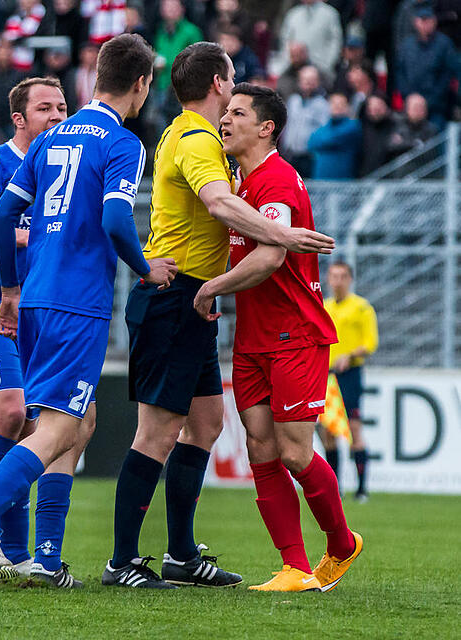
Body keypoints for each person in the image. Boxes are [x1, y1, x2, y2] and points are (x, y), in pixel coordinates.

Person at [0, 33, 177, 589]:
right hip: (78, 302)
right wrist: (145, 268)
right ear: (141, 85)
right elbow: (117, 220)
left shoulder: (50, 139)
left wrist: (14, 290)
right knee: (59, 425)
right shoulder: (123, 142)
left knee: (78, 420)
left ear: (94, 79)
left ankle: (45, 558)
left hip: (38, 296)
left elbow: (0, 218)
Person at [105, 42, 334, 591]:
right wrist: (282, 235)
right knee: (155, 434)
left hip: (194, 298)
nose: (234, 94)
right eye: (231, 83)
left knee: (205, 425)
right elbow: (219, 204)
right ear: (216, 84)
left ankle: (182, 555)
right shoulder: (196, 137)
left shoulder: (187, 135)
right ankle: (122, 561)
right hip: (178, 296)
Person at [192, 83, 362, 592]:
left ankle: (341, 542)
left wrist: (211, 288)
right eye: (225, 113)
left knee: (293, 452)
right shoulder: (239, 185)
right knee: (261, 450)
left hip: (295, 333)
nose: (225, 121)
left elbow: (271, 257)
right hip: (252, 338)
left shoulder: (277, 181)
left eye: (237, 114)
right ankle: (294, 567)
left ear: (267, 128)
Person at [0, 77, 91, 580]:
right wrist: (44, 237)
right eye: (45, 109)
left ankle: (33, 557)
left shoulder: (67, 170)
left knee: (70, 423)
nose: (57, 116)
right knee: (11, 413)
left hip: (47, 311)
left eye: (62, 107)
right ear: (19, 119)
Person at [322, 261, 378, 502]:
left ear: (350, 279)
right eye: (333, 276)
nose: (337, 281)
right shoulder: (324, 307)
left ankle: (362, 489)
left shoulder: (362, 308)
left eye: (342, 276)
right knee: (328, 431)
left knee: (354, 429)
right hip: (326, 376)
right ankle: (336, 488)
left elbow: (371, 343)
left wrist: (351, 354)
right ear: (327, 279)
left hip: (350, 374)